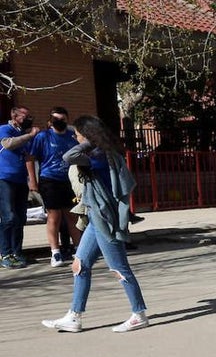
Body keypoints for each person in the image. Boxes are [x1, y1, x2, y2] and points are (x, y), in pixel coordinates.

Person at [41, 116, 148, 333]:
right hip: (96, 218)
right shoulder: (99, 153)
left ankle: (139, 314)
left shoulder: (98, 156)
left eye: (78, 133)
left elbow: (68, 155)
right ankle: (74, 316)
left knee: (119, 268)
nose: (75, 136)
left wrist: (90, 141)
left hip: (105, 220)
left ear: (88, 135)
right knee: (79, 265)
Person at [28, 106, 82, 266]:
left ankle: (79, 250)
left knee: (73, 215)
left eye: (62, 119)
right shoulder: (43, 136)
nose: (59, 122)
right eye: (56, 119)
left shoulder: (72, 137)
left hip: (69, 181)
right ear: (50, 121)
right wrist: (32, 180)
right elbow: (30, 158)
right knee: (54, 216)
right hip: (49, 180)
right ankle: (55, 253)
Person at [0, 106, 38, 269]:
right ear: (14, 116)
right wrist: (29, 135)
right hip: (5, 178)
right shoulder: (4, 129)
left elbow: (29, 157)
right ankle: (5, 253)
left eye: (30, 116)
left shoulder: (25, 134)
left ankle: (17, 252)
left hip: (21, 180)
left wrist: (32, 180)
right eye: (25, 116)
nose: (28, 119)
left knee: (20, 218)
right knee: (8, 217)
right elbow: (8, 144)